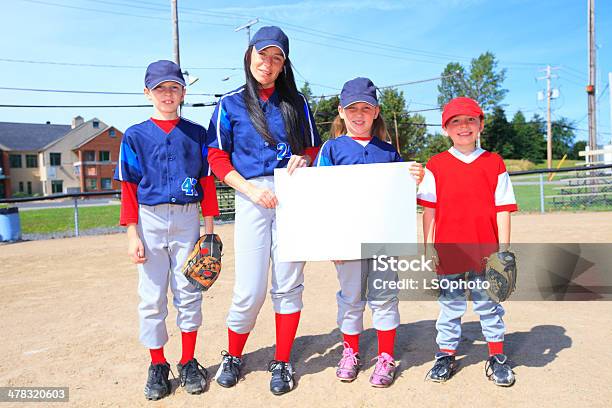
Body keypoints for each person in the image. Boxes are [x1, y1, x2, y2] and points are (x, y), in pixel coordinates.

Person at [206, 26, 321, 395]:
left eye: (277, 58)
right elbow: (216, 156)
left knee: (287, 283)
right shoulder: (230, 103)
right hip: (251, 193)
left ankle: (283, 361)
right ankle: (234, 355)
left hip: (292, 194)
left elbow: (313, 150)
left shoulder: (297, 102)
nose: (268, 64)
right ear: (249, 55)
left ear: (284, 64)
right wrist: (249, 189)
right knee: (249, 289)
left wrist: (304, 159)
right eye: (262, 55)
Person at [114, 60, 219, 400]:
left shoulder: (196, 133)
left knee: (189, 291)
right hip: (150, 220)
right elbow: (128, 187)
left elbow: (207, 182)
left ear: (183, 92)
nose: (167, 94)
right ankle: (158, 364)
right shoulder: (135, 135)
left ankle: (188, 361)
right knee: (152, 296)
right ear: (147, 93)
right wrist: (132, 234)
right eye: (160, 88)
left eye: (174, 87)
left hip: (189, 217)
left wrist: (209, 229)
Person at [314, 77, 424, 387]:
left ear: (376, 112)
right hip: (347, 237)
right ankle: (350, 351)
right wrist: (329, 239)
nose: (359, 115)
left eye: (366, 108)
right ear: (340, 111)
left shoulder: (389, 152)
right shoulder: (332, 149)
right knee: (350, 297)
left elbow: (405, 196)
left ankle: (386, 356)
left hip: (383, 238)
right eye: (352, 109)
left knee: (385, 296)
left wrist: (416, 176)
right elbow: (319, 196)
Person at [417, 97, 518, 387]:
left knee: (489, 306)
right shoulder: (436, 164)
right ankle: (445, 354)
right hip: (449, 252)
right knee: (450, 307)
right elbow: (430, 210)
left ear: (480, 125)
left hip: (485, 251)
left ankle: (497, 355)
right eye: (456, 122)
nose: (464, 127)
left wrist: (504, 253)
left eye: (470, 120)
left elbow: (503, 210)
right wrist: (427, 247)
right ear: (446, 129)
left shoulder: (494, 163)